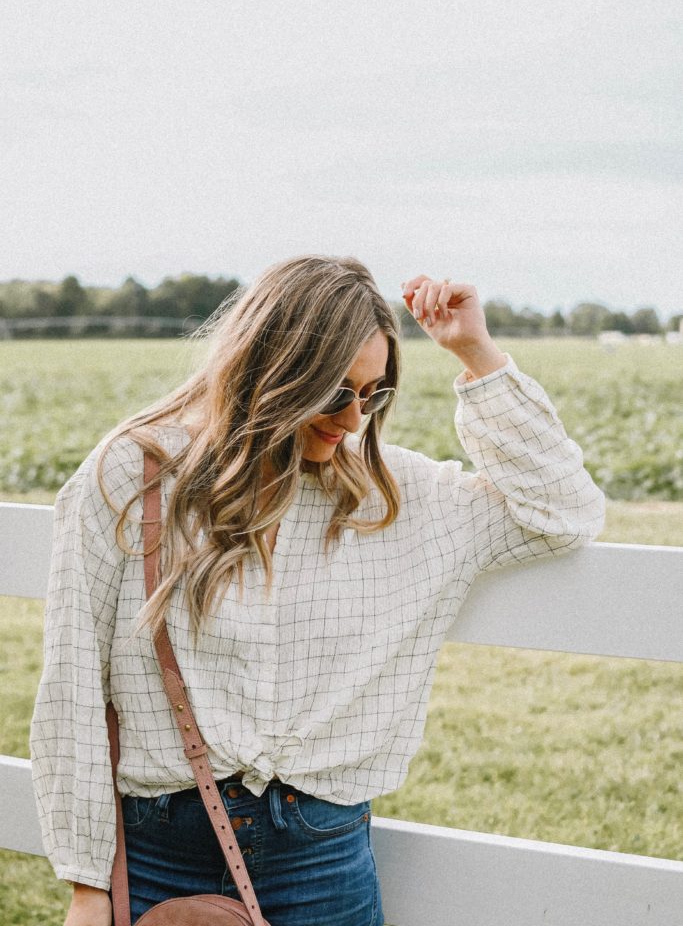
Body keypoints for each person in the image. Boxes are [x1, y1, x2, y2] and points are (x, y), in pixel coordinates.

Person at [30, 254, 605, 926]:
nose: (353, 418)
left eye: (373, 393)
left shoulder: (392, 496)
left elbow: (562, 512)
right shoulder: (135, 474)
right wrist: (85, 883)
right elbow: (70, 684)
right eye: (336, 392)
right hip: (159, 850)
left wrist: (474, 353)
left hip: (320, 860)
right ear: (274, 373)